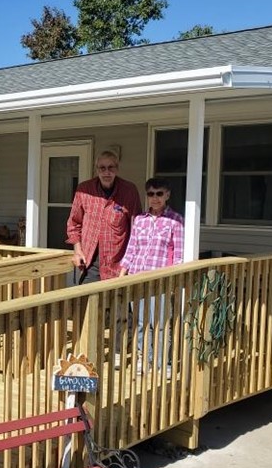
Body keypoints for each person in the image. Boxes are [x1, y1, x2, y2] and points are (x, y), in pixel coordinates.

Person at [118, 177, 184, 371]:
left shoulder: (175, 221)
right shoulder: (139, 220)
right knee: (140, 322)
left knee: (161, 323)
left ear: (167, 195)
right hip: (138, 277)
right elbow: (131, 249)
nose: (155, 198)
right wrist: (123, 274)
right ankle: (144, 358)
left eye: (159, 194)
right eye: (151, 194)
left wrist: (173, 281)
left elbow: (179, 255)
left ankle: (163, 362)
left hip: (160, 280)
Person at [65, 150, 142, 284]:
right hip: (91, 265)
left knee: (117, 304)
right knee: (88, 303)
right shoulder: (84, 190)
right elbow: (74, 223)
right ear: (97, 170)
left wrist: (131, 261)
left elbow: (136, 228)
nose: (107, 172)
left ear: (117, 169)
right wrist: (77, 250)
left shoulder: (129, 191)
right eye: (102, 168)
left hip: (118, 266)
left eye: (111, 167)